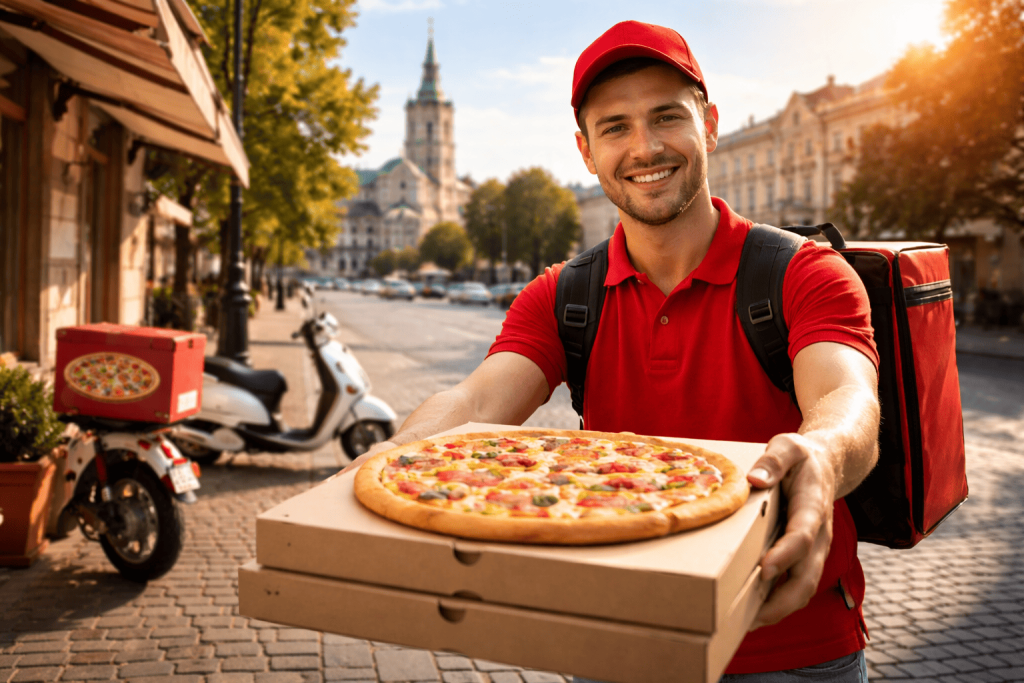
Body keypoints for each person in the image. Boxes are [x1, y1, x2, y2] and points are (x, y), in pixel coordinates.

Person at [347, 20, 880, 682]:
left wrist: (821, 454)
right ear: (586, 150)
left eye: (667, 117)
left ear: (709, 125)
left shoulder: (805, 272)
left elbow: (846, 399)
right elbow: (477, 400)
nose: (645, 147)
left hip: (793, 646)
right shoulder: (562, 293)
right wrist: (402, 452)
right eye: (615, 127)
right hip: (618, 643)